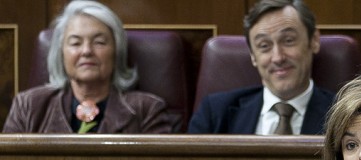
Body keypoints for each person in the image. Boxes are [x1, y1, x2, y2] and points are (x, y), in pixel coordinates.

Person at [3, 0, 178, 134]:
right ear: (60, 52)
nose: (86, 51)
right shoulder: (28, 107)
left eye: (99, 42)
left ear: (117, 51)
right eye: (75, 43)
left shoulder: (147, 110)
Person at [188, 0, 334, 135]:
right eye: (264, 46)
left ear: (314, 41)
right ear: (253, 55)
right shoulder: (215, 112)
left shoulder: (344, 114)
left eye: (288, 41)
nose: (278, 57)